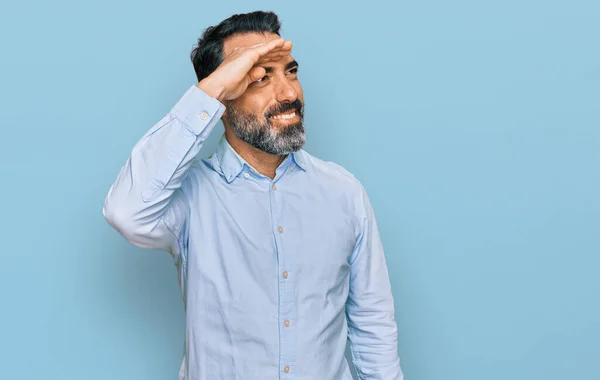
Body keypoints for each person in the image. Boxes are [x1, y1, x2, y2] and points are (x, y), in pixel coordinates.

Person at [103, 10, 404, 380]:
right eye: (260, 78)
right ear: (223, 97)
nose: (289, 93)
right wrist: (209, 92)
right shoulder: (190, 199)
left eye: (290, 72)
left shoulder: (344, 193)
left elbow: (373, 325)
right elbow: (126, 213)